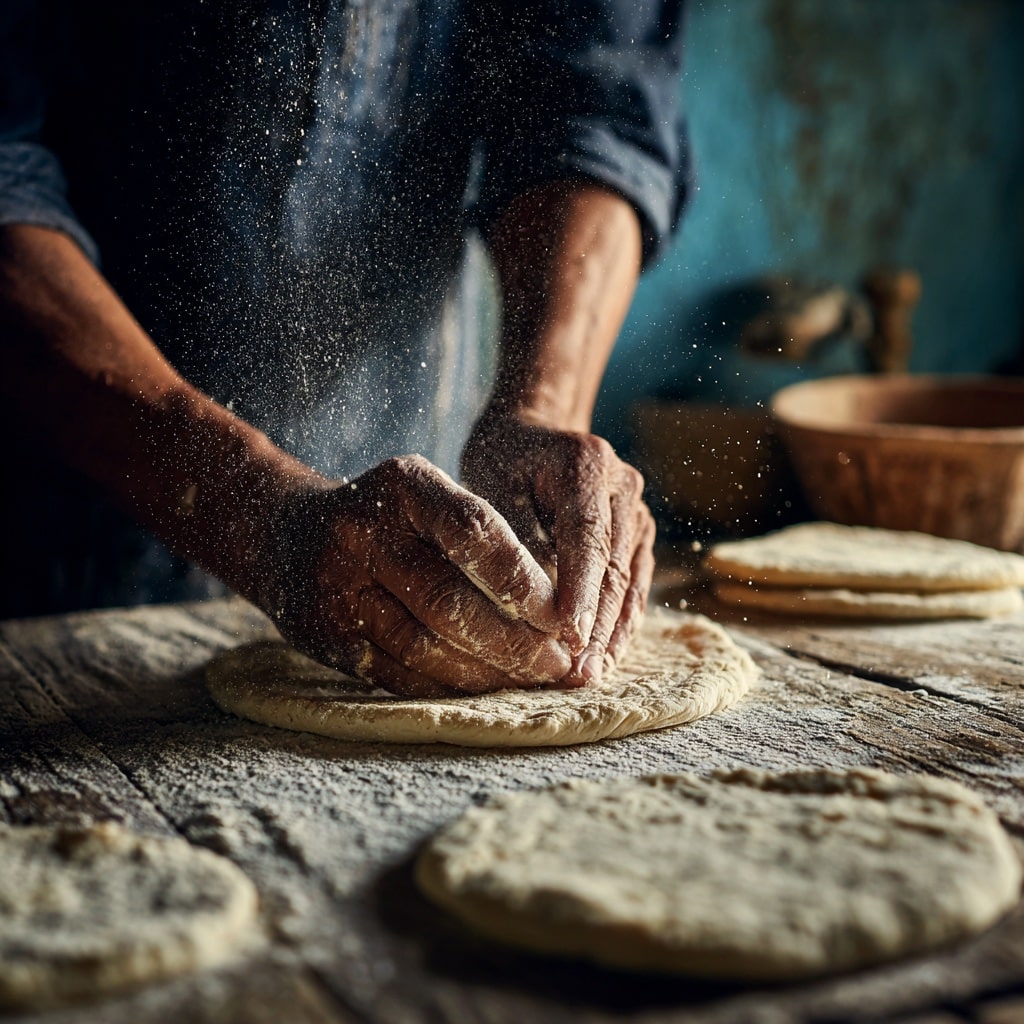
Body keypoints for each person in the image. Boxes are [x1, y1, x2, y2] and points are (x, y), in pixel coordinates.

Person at [0, 1, 688, 694]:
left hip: (417, 534)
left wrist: (543, 406)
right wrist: (258, 518)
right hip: (65, 549)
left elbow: (595, 109)